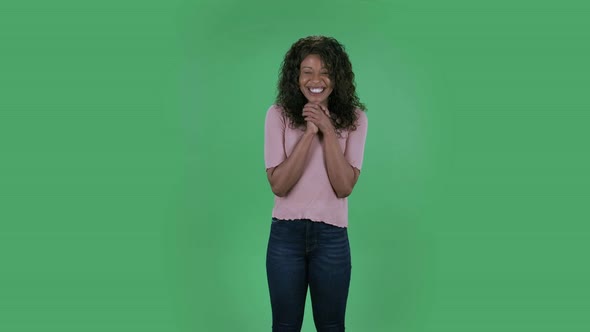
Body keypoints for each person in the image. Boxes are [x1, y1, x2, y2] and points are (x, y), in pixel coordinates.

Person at [264, 35, 368, 332]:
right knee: (285, 326)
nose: (316, 80)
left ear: (338, 77)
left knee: (332, 326)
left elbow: (344, 186)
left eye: (325, 72)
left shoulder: (356, 119)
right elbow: (279, 186)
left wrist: (328, 129)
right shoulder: (278, 115)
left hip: (332, 238)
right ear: (295, 77)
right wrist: (310, 133)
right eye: (307, 71)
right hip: (286, 237)